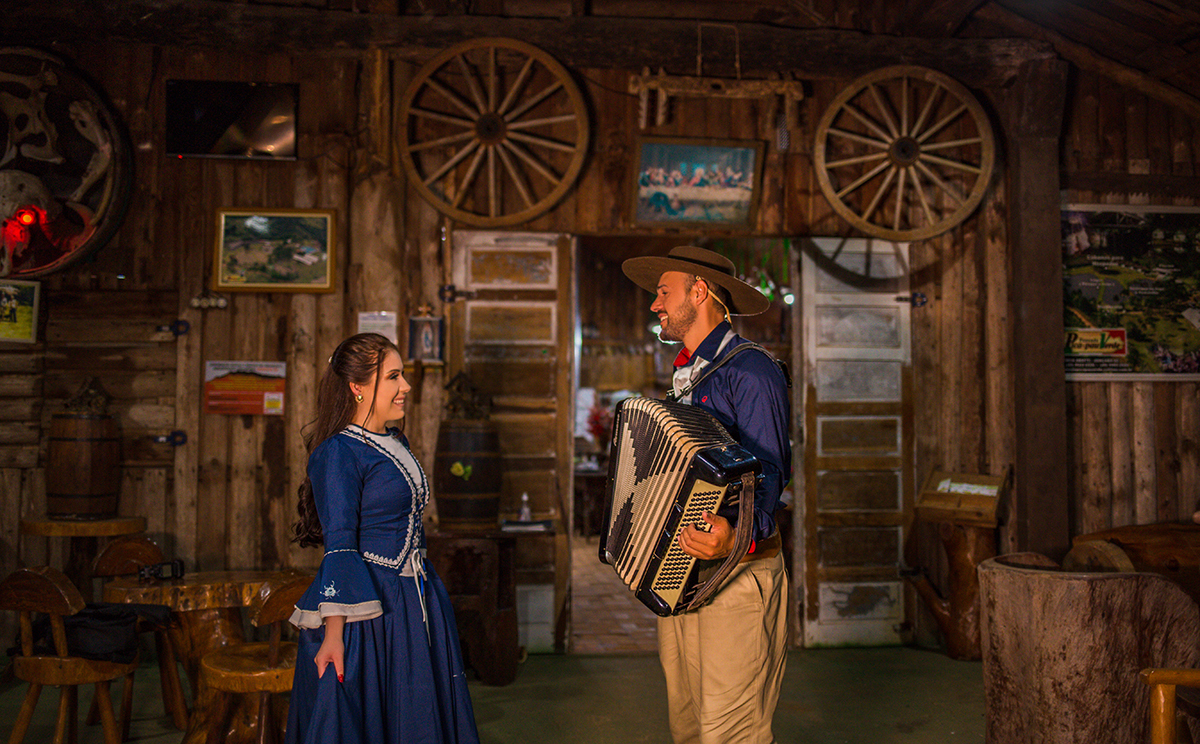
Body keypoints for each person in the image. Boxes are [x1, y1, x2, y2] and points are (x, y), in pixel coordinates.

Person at [622, 245, 792, 744]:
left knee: (733, 730)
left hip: (736, 573)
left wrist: (735, 533)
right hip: (683, 575)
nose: (655, 304)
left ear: (699, 292)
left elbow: (772, 474)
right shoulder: (688, 377)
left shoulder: (751, 371)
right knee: (691, 725)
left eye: (663, 292)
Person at [287, 332, 479, 744]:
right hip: (370, 606)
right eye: (393, 377)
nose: (405, 386)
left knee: (417, 713)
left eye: (402, 375)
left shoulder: (395, 441)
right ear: (358, 387)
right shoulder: (339, 452)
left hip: (415, 596)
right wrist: (335, 635)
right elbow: (339, 547)